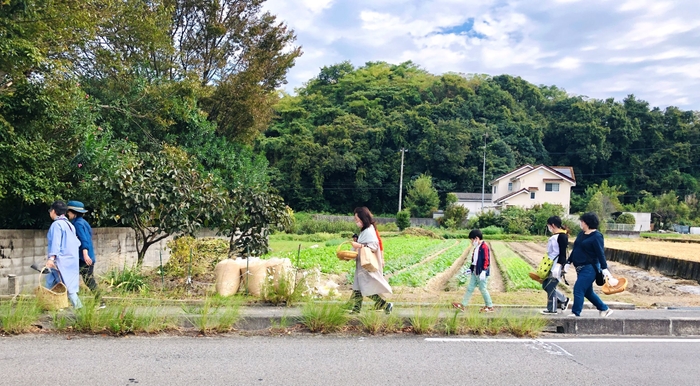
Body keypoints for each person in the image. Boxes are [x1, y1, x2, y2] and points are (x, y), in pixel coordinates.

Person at [565, 212, 614, 317]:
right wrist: (568, 262)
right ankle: (604, 308)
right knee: (587, 292)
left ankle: (575, 313)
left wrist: (604, 268)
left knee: (578, 289)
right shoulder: (581, 234)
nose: (580, 223)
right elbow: (576, 249)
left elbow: (600, 253)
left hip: (589, 268)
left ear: (587, 223)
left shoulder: (597, 236)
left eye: (582, 221)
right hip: (579, 268)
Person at [349, 207, 393, 314]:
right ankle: (356, 309)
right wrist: (357, 241)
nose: (356, 222)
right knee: (358, 287)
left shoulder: (369, 231)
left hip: (366, 265)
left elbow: (373, 246)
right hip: (362, 265)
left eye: (357, 220)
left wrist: (358, 244)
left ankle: (385, 304)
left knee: (365, 288)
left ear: (363, 218)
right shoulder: (365, 230)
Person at [67, 200, 105, 309]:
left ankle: (101, 302)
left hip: (83, 258)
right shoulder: (82, 222)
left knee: (88, 280)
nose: (68, 214)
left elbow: (84, 240)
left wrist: (85, 254)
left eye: (69, 212)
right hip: (85, 256)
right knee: (86, 279)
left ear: (73, 212)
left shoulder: (78, 223)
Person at [45, 200, 82, 309]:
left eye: (50, 210)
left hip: (60, 261)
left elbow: (56, 244)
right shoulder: (69, 225)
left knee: (68, 287)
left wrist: (51, 258)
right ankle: (47, 306)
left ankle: (79, 307)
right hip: (70, 260)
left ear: (54, 211)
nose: (50, 213)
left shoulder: (57, 225)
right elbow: (77, 242)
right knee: (50, 283)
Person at [452, 229, 494, 313]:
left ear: (476, 238)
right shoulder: (476, 248)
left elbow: (486, 260)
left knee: (483, 289)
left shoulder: (484, 247)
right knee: (470, 288)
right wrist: (470, 269)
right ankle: (463, 305)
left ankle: (489, 306)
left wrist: (484, 271)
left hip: (481, 272)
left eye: (471, 240)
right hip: (475, 271)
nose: (471, 242)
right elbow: (474, 261)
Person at [540, 216, 570, 315]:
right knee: (545, 285)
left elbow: (562, 253)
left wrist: (559, 266)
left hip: (556, 265)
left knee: (550, 286)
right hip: (550, 264)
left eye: (548, 225)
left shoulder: (561, 236)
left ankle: (552, 309)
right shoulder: (556, 235)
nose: (548, 227)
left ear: (552, 225)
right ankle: (563, 299)